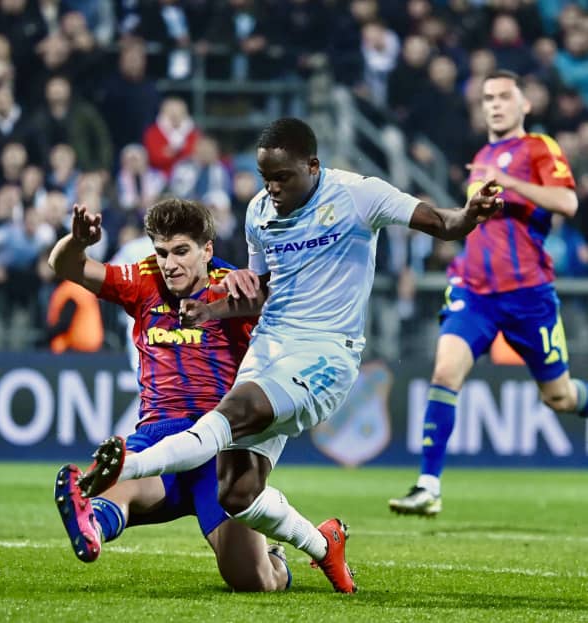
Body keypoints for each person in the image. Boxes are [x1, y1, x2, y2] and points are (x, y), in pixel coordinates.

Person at [76, 117, 503, 594]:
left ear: (313, 167)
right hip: (268, 347)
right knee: (236, 492)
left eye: (282, 177)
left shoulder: (359, 195)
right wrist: (211, 309)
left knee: (231, 413)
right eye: (265, 178)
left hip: (325, 352)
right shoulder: (259, 212)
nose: (272, 188)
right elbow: (261, 292)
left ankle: (128, 466)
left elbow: (443, 224)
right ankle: (324, 545)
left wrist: (470, 213)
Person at [50, 198, 291, 592]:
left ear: (207, 250)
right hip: (158, 438)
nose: (169, 264)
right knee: (117, 479)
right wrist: (77, 242)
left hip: (220, 447)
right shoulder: (142, 279)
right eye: (162, 252)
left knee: (253, 581)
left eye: (181, 251)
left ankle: (276, 560)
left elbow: (289, 317)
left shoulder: (234, 288)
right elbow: (64, 266)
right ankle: (91, 524)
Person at [389, 70, 588, 517]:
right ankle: (427, 486)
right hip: (474, 290)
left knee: (558, 397)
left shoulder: (540, 148)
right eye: (488, 98)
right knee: (445, 373)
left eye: (503, 97)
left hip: (529, 295)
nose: (495, 105)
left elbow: (567, 203)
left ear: (524, 104)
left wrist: (509, 181)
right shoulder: (482, 158)